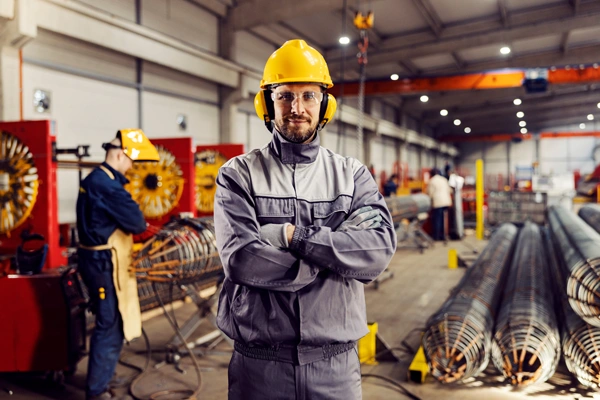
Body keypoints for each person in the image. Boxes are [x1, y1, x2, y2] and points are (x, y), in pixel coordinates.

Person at [214, 39, 397, 400]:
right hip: (260, 366)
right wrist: (332, 262)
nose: (296, 108)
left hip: (335, 367)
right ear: (267, 103)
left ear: (324, 103)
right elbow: (241, 259)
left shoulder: (351, 175)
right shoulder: (238, 175)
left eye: (308, 96)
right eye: (285, 96)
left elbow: (377, 251)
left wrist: (291, 237)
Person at [77, 129, 159, 400]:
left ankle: (103, 376)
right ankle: (97, 391)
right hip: (103, 265)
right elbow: (135, 222)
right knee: (109, 324)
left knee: (111, 321)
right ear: (120, 154)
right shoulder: (106, 185)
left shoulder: (100, 179)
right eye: (131, 160)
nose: (132, 166)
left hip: (98, 262)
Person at [427, 168, 452, 241]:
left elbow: (430, 193)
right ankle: (443, 235)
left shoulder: (432, 181)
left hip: (438, 202)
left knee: (437, 219)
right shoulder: (444, 179)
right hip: (446, 201)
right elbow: (449, 190)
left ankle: (436, 236)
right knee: (444, 219)